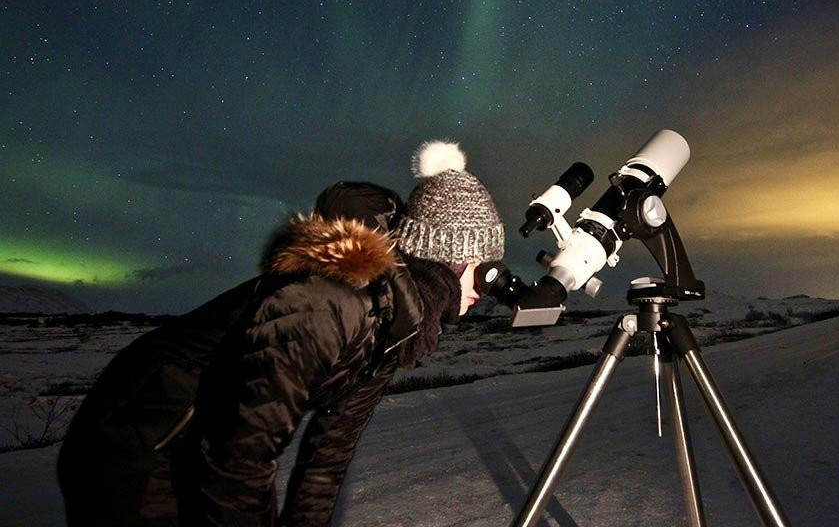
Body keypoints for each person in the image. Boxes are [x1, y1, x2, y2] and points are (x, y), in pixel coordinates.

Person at [57, 140, 504, 526]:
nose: (487, 287)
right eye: (483, 270)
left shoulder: (394, 322)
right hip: (144, 436)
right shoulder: (333, 301)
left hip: (214, 439)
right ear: (450, 260)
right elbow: (239, 456)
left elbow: (329, 453)